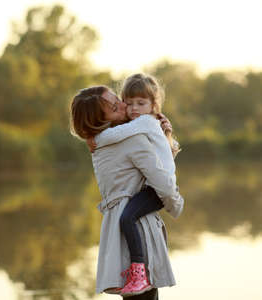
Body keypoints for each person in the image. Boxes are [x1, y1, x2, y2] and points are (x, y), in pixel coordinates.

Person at [70, 85, 184, 299]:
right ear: (101, 120)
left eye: (118, 99)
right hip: (139, 226)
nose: (125, 106)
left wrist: (165, 134)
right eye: (116, 107)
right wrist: (176, 205)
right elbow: (163, 183)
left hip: (116, 224)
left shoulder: (99, 143)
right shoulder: (130, 140)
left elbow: (148, 168)